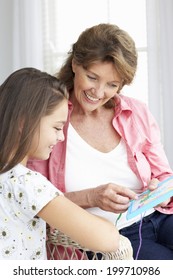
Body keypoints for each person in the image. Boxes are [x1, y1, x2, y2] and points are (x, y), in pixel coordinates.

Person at [28, 23, 173, 260]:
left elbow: (165, 175)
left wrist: (162, 190)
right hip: (113, 236)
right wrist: (92, 197)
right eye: (92, 77)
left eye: (112, 85)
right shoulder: (48, 121)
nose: (98, 91)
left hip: (158, 216)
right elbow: (33, 201)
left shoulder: (136, 113)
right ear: (75, 64)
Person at [0, 67, 120, 260]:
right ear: (23, 122)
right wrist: (108, 226)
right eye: (56, 127)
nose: (61, 136)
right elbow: (107, 240)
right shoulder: (26, 184)